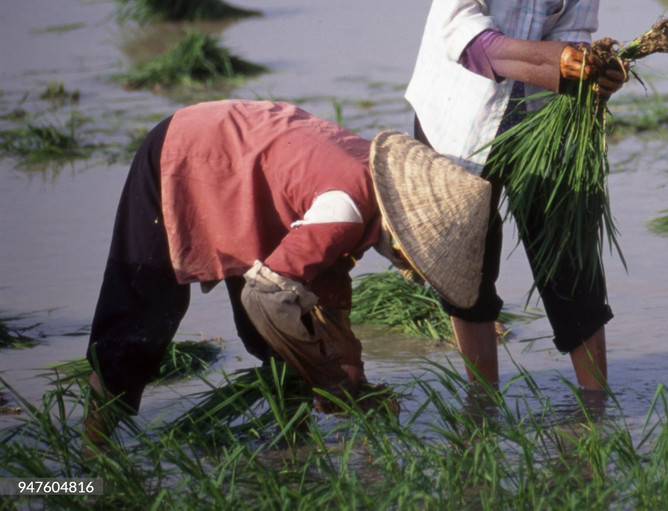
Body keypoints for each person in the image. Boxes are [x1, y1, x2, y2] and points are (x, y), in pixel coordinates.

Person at [405, 0, 645, 393]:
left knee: (572, 263)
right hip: (457, 118)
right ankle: (482, 404)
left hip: (543, 117)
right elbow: (463, 33)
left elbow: (577, 31)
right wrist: (562, 62)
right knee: (467, 272)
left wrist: (596, 74)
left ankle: (597, 404)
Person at [83, 99, 469, 443]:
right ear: (401, 236)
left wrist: (354, 377)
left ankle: (293, 446)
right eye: (410, 259)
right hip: (186, 154)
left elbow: (326, 289)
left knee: (287, 336)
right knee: (140, 320)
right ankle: (90, 456)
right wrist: (331, 381)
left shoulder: (372, 178)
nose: (404, 267)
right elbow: (265, 298)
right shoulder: (346, 211)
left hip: (247, 164)